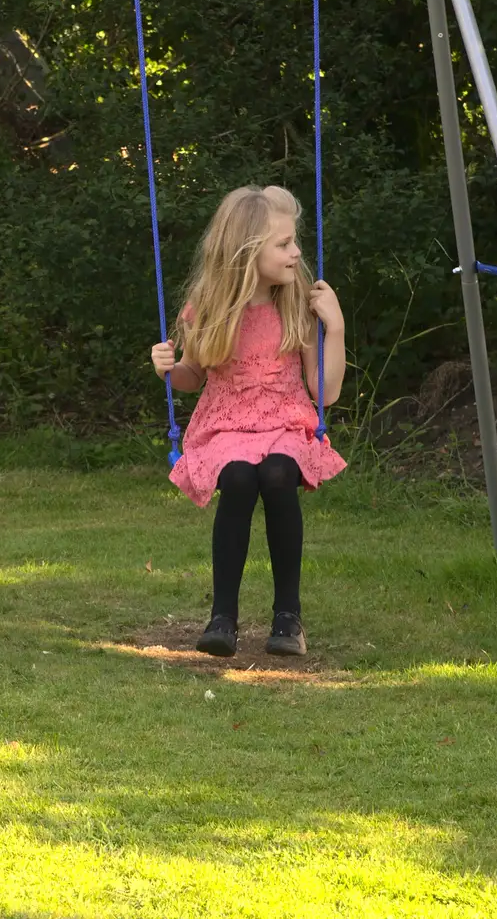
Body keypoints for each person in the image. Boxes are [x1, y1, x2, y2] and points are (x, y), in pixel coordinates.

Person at [150, 185, 346, 658]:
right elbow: (194, 376)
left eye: (294, 240)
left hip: (285, 420)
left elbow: (326, 393)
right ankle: (223, 618)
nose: (297, 252)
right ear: (245, 251)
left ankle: (288, 617)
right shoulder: (208, 308)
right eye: (283, 244)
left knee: (278, 474)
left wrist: (334, 328)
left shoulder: (297, 304)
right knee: (238, 478)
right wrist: (169, 369)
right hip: (228, 425)